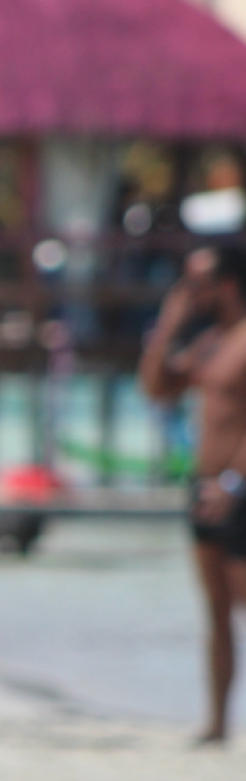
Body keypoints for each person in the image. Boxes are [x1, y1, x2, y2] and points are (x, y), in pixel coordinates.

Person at [138, 246, 246, 743]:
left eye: (195, 283)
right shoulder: (208, 344)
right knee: (216, 612)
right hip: (206, 490)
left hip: (237, 490)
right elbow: (157, 389)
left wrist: (234, 483)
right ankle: (218, 723)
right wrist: (166, 326)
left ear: (225, 285)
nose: (187, 292)